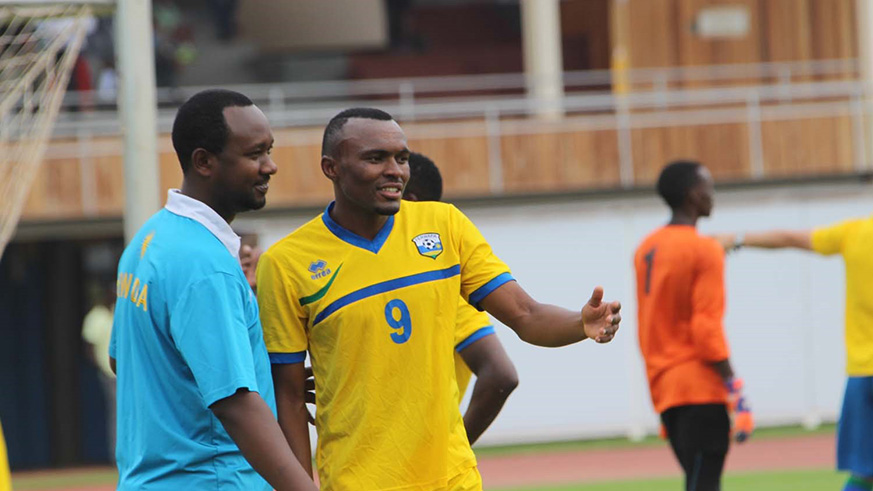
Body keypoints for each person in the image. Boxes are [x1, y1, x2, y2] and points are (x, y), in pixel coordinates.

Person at [257, 107, 622, 490]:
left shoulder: (444, 225)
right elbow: (290, 395)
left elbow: (526, 314)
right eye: (375, 158)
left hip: (453, 479)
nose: (395, 170)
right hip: (358, 481)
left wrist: (579, 324)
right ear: (331, 167)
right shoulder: (286, 264)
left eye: (401, 158)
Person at [108, 89, 316, 491]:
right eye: (255, 154)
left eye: (269, 150)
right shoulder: (205, 264)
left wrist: (260, 374)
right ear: (204, 161)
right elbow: (235, 404)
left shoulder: (148, 240)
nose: (270, 166)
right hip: (213, 480)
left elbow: (124, 361)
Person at [715, 214, 873, 491]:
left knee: (863, 475)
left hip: (863, 375)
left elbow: (789, 238)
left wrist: (736, 239)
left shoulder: (857, 232)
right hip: (861, 374)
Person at [633, 160, 753, 491]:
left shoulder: (646, 248)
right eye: (708, 188)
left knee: (696, 479)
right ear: (692, 195)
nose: (713, 195)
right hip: (699, 387)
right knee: (705, 483)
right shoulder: (705, 249)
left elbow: (649, 322)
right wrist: (734, 386)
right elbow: (706, 329)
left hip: (664, 388)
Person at [403, 151, 518, 445]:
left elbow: (501, 374)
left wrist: (453, 448)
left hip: (423, 469)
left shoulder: (439, 284)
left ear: (411, 202)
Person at [81, 282, 117, 462]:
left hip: (129, 375)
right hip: (109, 375)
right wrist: (102, 367)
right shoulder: (97, 316)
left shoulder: (121, 314)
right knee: (116, 414)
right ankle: (116, 456)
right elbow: (89, 347)